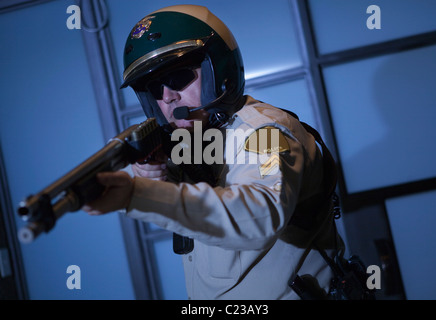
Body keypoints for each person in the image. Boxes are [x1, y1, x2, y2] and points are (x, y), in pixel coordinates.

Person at [83, 4, 344, 300]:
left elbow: (261, 215)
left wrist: (139, 195)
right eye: (154, 88)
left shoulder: (266, 133)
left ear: (218, 70)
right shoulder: (197, 140)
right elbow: (203, 210)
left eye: (179, 77)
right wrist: (157, 177)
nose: (168, 96)